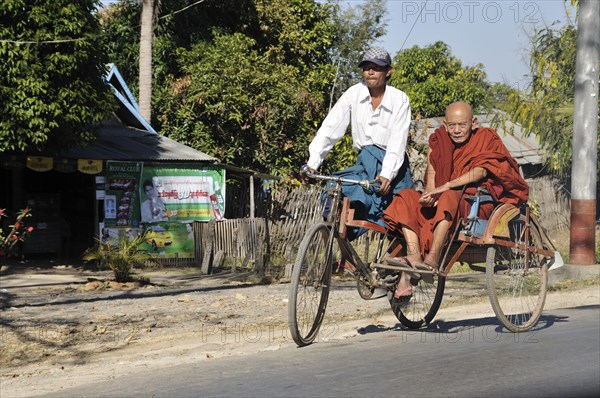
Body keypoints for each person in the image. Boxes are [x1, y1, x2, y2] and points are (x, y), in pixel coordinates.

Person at [382, 101, 529, 298]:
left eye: (462, 125)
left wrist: (447, 187)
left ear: (473, 123)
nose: (457, 130)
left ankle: (432, 259)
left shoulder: (486, 138)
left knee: (449, 195)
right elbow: (432, 181)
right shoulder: (438, 141)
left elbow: (481, 170)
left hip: (476, 203)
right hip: (444, 200)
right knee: (406, 197)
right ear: (445, 124)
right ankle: (414, 254)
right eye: (452, 126)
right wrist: (429, 196)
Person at [304, 47, 413, 240]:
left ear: (388, 71)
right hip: (365, 163)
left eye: (376, 68)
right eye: (366, 67)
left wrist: (387, 174)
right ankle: (341, 250)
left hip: (393, 167)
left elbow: (398, 140)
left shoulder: (399, 99)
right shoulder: (353, 93)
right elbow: (330, 128)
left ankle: (404, 257)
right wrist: (313, 163)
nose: (370, 72)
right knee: (335, 188)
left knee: (399, 217)